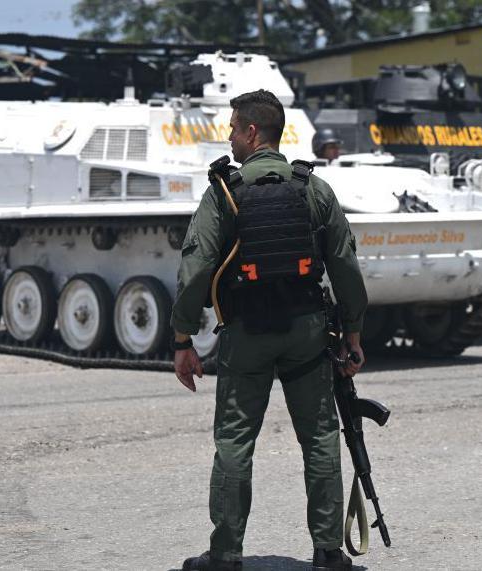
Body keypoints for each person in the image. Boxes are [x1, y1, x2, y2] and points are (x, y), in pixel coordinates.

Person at [171, 89, 368, 571]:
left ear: (252, 132)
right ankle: (328, 553)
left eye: (235, 127)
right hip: (307, 331)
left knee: (235, 441)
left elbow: (196, 269)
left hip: (248, 333)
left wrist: (182, 340)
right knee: (320, 437)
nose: (230, 137)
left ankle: (225, 556)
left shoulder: (225, 191)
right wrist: (354, 334)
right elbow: (344, 263)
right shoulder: (313, 187)